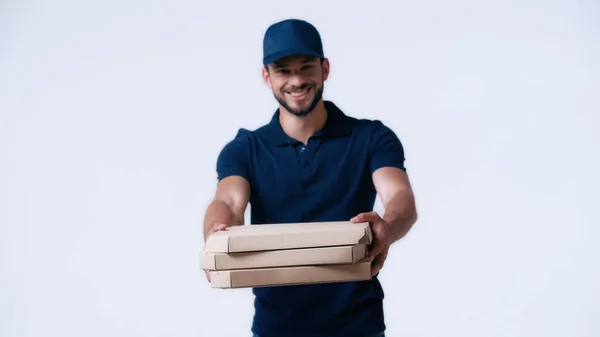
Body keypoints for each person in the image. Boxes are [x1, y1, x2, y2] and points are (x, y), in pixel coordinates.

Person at [202, 18, 418, 337]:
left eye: (306, 67)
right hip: (276, 327)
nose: (296, 80)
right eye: (283, 70)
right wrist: (214, 235)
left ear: (325, 69)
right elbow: (228, 202)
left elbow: (400, 197)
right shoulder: (245, 149)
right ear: (267, 76)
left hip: (358, 325)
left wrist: (388, 225)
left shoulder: (371, 137)